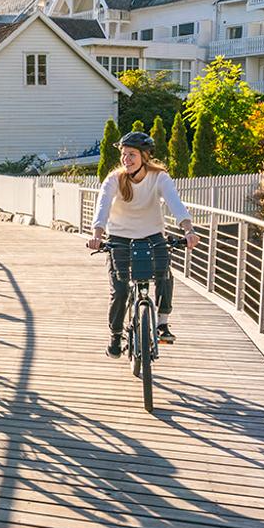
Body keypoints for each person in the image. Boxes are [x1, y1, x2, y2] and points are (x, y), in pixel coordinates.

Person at [85, 130, 199, 358]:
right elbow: (103, 206)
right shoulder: (115, 179)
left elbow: (175, 203)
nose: (126, 159)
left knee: (164, 274)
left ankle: (162, 323)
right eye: (124, 154)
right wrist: (97, 234)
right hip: (119, 237)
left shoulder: (159, 178)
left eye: (132, 155)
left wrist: (189, 229)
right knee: (120, 289)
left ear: (145, 157)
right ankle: (116, 336)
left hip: (152, 234)